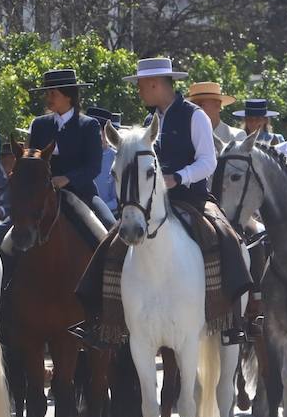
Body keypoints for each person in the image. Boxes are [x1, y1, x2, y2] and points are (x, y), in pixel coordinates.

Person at [74, 57, 252, 345]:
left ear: (156, 84)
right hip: (150, 204)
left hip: (190, 198)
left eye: (141, 86)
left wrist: (178, 178)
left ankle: (231, 320)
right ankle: (104, 321)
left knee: (226, 237)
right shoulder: (148, 122)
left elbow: (209, 161)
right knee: (109, 244)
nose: (139, 91)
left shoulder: (195, 116)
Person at [26, 69, 109, 224]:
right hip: (42, 195)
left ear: (68, 95)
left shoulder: (89, 125)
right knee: (2, 233)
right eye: (47, 94)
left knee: (109, 225)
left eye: (53, 94)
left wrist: (67, 179)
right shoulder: (39, 124)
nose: (48, 98)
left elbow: (94, 167)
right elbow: (31, 161)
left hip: (82, 193)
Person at [86, 105, 123, 217]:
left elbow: (118, 199)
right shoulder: (77, 155)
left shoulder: (116, 158)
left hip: (108, 215)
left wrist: (98, 209)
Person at [187, 81, 243, 149]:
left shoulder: (236, 136)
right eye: (192, 105)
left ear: (218, 105)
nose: (195, 109)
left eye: (200, 104)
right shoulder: (184, 137)